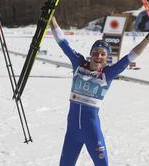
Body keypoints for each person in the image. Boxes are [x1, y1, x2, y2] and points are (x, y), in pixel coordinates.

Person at [50, 17, 149, 166]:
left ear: (107, 58)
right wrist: (51, 19)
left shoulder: (108, 73)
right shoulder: (78, 64)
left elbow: (131, 56)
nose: (98, 56)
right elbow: (62, 42)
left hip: (91, 130)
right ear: (91, 53)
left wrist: (147, 38)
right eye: (96, 52)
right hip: (72, 132)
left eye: (103, 54)